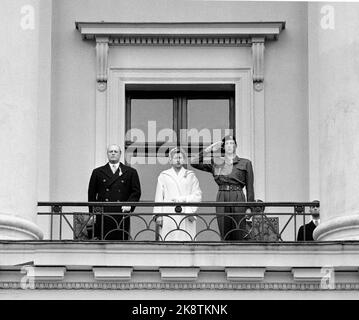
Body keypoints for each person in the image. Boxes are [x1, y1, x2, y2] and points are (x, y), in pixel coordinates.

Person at [190, 135, 255, 241]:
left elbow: (250, 187)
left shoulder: (245, 163)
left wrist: (249, 207)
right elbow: (194, 162)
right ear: (223, 147)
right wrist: (209, 149)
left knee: (239, 231)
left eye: (232, 143)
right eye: (227, 144)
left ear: (236, 146)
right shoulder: (216, 162)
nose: (230, 146)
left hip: (238, 195)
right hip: (222, 196)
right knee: (224, 231)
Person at [88, 144, 141, 240]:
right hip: (103, 214)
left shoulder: (130, 172)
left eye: (115, 151)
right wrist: (93, 213)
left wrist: (129, 205)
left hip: (121, 213)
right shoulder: (97, 172)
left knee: (120, 243)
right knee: (103, 242)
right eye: (110, 151)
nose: (113, 153)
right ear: (107, 154)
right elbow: (91, 194)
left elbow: (136, 192)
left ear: (120, 154)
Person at [154, 147, 202, 241]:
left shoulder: (190, 175)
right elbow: (159, 196)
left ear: (184, 160)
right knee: (169, 240)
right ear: (170, 160)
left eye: (180, 157)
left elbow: (198, 195)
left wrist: (184, 199)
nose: (178, 160)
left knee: (186, 240)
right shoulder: (164, 175)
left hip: (185, 212)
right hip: (168, 213)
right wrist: (158, 214)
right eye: (176, 158)